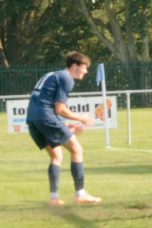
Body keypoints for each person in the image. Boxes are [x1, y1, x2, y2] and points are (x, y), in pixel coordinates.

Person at [26, 52, 102, 205]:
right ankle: (80, 194)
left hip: (33, 120)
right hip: (45, 118)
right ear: (74, 66)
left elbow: (46, 105)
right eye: (84, 67)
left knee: (56, 155)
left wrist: (65, 125)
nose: (86, 71)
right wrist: (82, 118)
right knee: (77, 150)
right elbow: (60, 109)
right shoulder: (66, 78)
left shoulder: (53, 74)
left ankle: (54, 197)